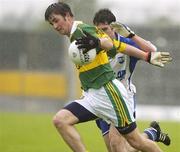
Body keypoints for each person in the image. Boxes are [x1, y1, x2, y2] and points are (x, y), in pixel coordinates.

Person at [44, 2, 172, 152]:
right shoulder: (73, 36)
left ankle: (151, 134)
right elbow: (116, 45)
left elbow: (107, 43)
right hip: (92, 96)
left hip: (110, 94)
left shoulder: (82, 30)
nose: (55, 26)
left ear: (67, 16)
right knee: (60, 120)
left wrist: (97, 41)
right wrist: (146, 56)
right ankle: (152, 133)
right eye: (52, 23)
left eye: (56, 20)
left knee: (134, 142)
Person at [93, 8, 171, 152]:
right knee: (117, 148)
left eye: (105, 29)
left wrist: (131, 35)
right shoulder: (94, 47)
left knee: (117, 145)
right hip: (102, 99)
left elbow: (152, 51)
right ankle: (152, 134)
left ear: (114, 27)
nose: (102, 34)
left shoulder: (126, 43)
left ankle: (151, 136)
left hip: (123, 97)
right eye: (99, 31)